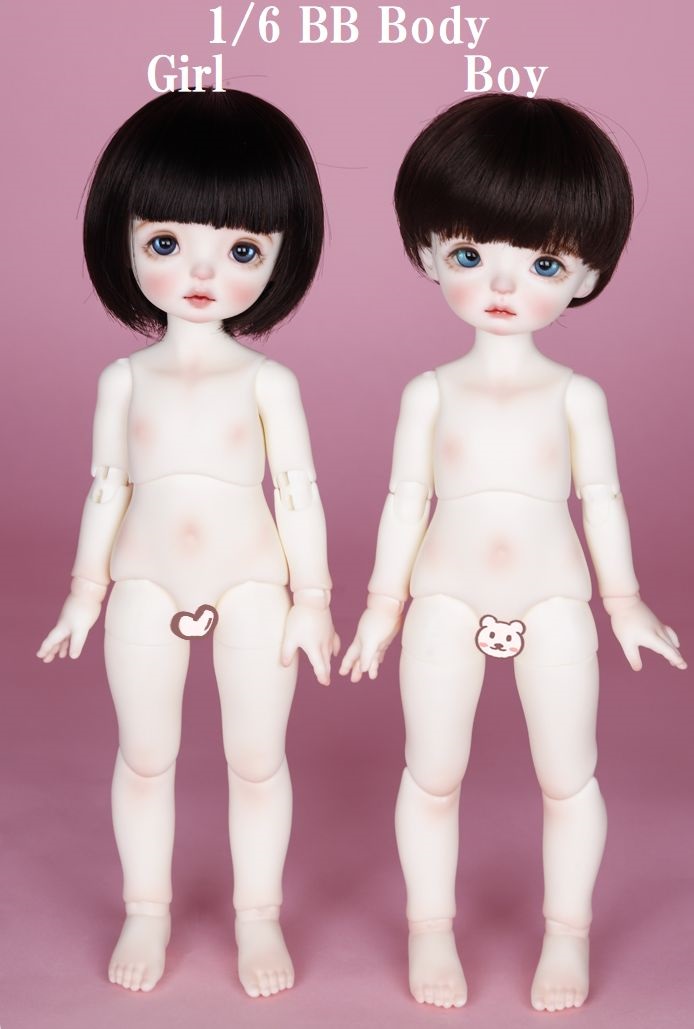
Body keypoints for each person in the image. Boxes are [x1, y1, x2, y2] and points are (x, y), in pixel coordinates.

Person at [340, 94, 686, 1012]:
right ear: (428, 254)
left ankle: (566, 935)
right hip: (443, 599)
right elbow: (405, 500)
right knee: (432, 773)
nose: (502, 284)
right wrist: (380, 609)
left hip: (554, 600)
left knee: (569, 779)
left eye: (542, 263)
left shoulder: (575, 396)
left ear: (586, 276)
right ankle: (430, 929)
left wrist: (624, 602)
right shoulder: (429, 392)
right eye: (469, 255)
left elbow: (601, 499)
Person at [37, 88, 339, 997]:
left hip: (254, 584)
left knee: (258, 759)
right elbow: (107, 486)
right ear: (122, 239)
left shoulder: (269, 381)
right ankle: (147, 908)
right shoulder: (125, 378)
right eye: (166, 242)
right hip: (144, 581)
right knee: (144, 756)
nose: (202, 270)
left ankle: (258, 915)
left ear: (281, 256)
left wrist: (314, 599)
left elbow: (297, 491)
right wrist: (84, 592)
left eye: (242, 250)